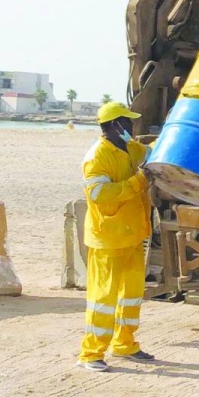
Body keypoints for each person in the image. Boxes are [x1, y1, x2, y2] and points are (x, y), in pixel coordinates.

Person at [77, 101, 156, 372]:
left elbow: (151, 153)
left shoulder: (130, 148)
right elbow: (101, 196)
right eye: (128, 122)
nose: (132, 127)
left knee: (131, 294)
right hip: (108, 238)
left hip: (132, 234)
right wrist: (138, 182)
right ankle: (91, 353)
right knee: (104, 297)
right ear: (113, 126)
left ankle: (125, 344)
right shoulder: (96, 158)